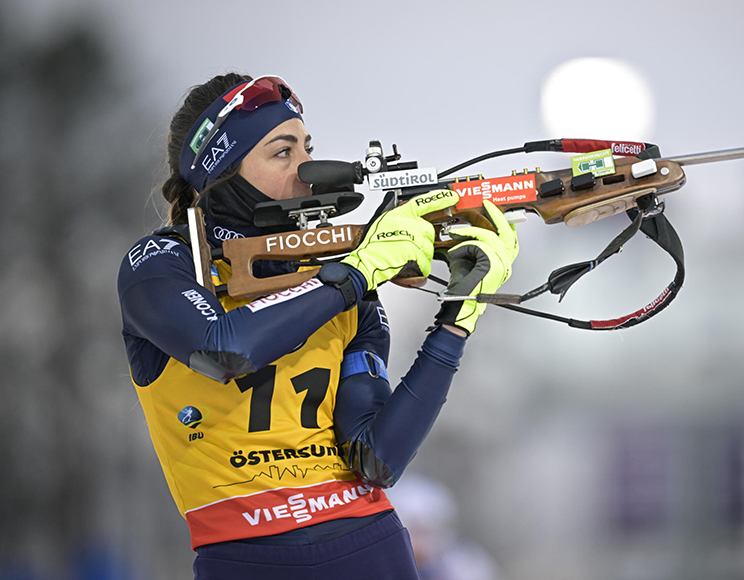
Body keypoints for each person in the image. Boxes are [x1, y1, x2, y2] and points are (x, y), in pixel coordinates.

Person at [117, 73, 518, 579]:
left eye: (309, 147)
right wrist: (359, 270)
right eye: (282, 152)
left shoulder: (337, 280)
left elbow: (377, 460)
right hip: (243, 560)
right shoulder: (161, 263)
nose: (306, 168)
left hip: (371, 549)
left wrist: (459, 315)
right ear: (220, 168)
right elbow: (222, 350)